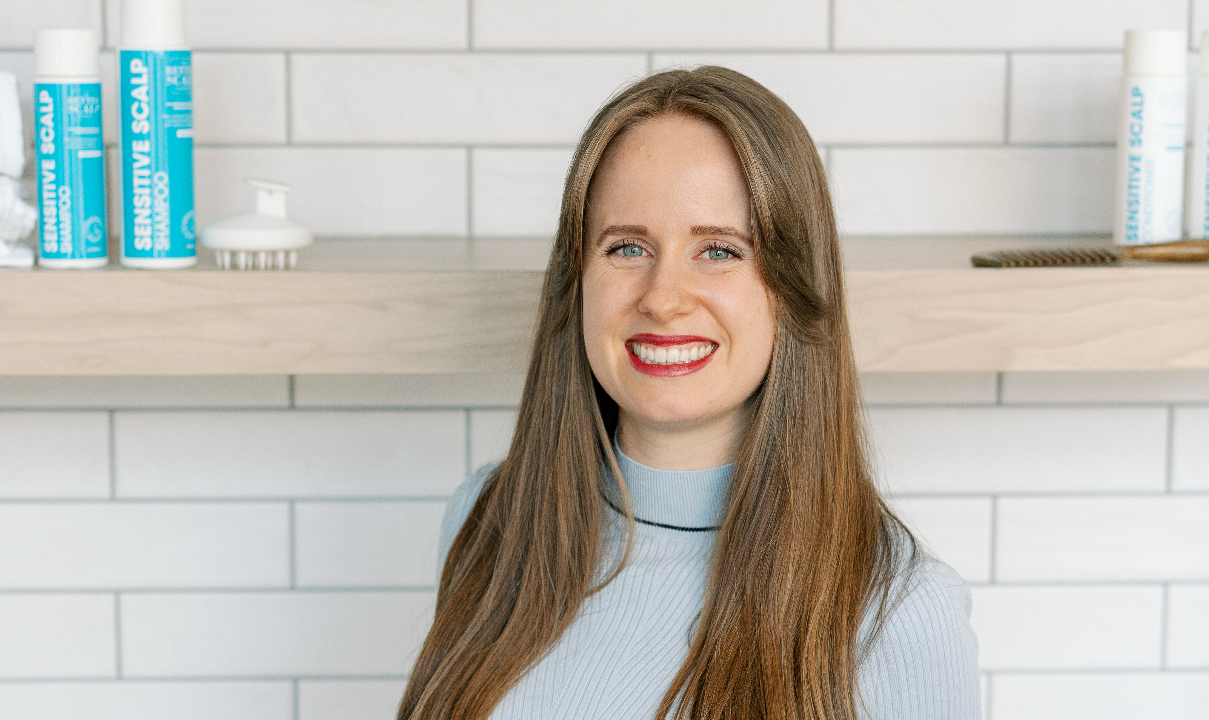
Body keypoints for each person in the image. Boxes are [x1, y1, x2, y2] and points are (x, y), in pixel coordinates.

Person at [399, 66, 980, 720]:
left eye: (719, 251)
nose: (663, 298)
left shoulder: (902, 613)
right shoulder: (486, 520)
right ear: (577, 279)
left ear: (793, 288)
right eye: (627, 248)